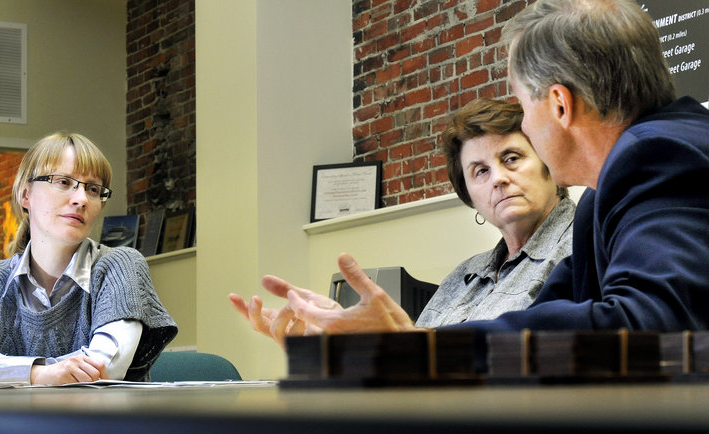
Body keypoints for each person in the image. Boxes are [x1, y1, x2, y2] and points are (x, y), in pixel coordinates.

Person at [232, 0, 709, 359]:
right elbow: (547, 323)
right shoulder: (611, 190)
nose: (524, 124)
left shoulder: (656, 156)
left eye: (524, 108)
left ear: (559, 105)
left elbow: (654, 327)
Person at [230, 98, 575, 343]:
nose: (497, 178)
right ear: (469, 196)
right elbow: (410, 367)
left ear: (549, 162)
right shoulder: (462, 277)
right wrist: (339, 336)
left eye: (511, 158)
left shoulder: (585, 242)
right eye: (480, 171)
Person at [0, 132, 178, 384]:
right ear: (25, 195)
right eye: (63, 182)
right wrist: (35, 374)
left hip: (98, 428)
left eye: (94, 190)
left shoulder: (120, 267)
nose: (81, 199)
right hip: (6, 430)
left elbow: (100, 369)